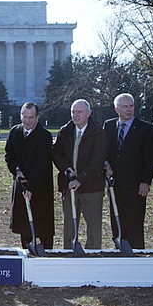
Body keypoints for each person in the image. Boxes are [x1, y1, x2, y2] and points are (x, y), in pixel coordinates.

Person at [103, 93, 153, 249]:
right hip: (114, 185)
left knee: (134, 222)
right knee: (117, 220)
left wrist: (145, 182)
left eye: (131, 106)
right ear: (116, 109)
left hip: (136, 186)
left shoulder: (145, 128)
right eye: (125, 106)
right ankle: (119, 250)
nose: (129, 109)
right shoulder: (108, 125)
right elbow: (104, 151)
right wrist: (105, 164)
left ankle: (137, 253)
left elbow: (150, 158)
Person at [53, 99, 107, 249]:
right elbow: (56, 154)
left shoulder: (98, 132)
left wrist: (81, 179)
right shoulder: (64, 131)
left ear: (89, 113)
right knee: (69, 227)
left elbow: (97, 161)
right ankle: (70, 256)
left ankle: (93, 257)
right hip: (69, 187)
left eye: (80, 112)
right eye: (73, 112)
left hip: (92, 187)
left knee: (94, 228)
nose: (76, 115)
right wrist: (66, 169)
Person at [4, 102, 55, 249]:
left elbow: (42, 164)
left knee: (42, 225)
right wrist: (17, 170)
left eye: (31, 117)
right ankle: (27, 250)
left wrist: (31, 187)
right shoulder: (15, 132)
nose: (27, 120)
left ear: (37, 117)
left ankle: (46, 252)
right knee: (24, 224)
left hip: (40, 187)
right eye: (24, 117)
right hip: (21, 183)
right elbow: (9, 156)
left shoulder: (44, 136)